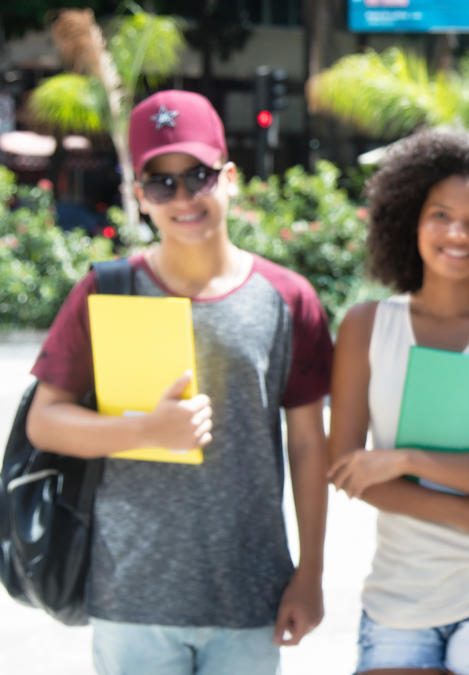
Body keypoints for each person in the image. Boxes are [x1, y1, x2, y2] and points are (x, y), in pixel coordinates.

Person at [25, 90, 331, 674]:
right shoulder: (105, 290)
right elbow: (46, 420)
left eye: (198, 176)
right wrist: (146, 428)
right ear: (140, 197)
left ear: (230, 178)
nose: (184, 197)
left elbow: (308, 444)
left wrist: (310, 572)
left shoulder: (289, 298)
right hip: (132, 596)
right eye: (162, 183)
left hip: (250, 592)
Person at [325, 130, 469, 674]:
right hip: (398, 592)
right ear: (410, 219)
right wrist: (461, 511)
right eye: (440, 215)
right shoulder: (365, 327)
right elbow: (348, 468)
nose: (458, 233)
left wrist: (406, 460)